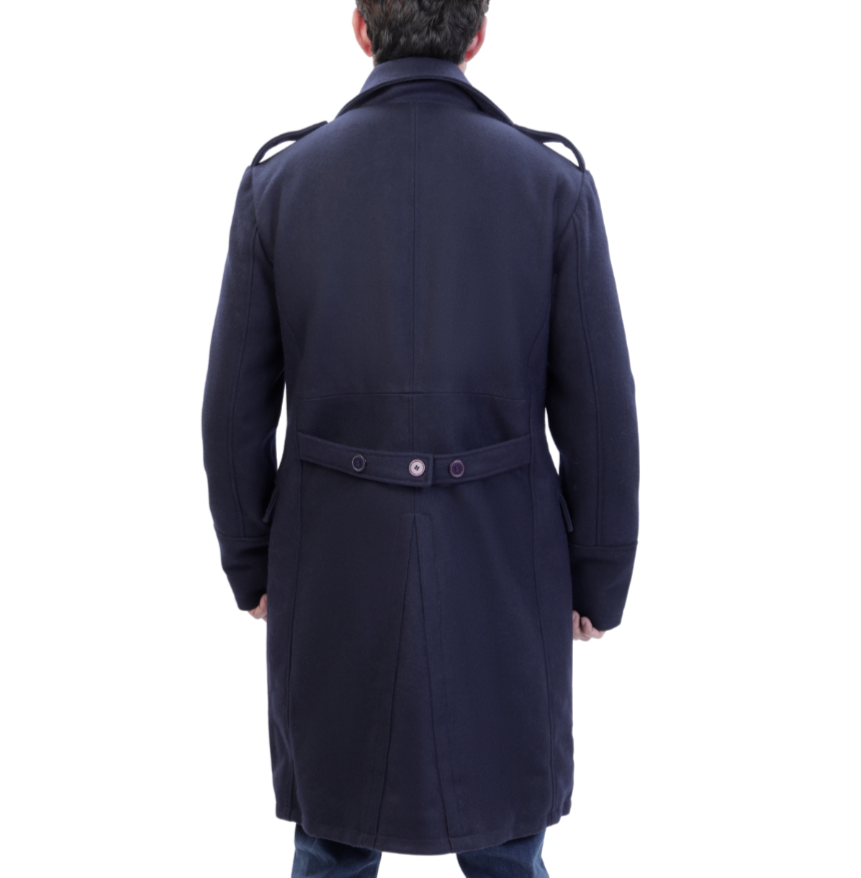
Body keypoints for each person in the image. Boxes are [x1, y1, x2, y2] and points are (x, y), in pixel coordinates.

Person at [201, 1, 639, 875]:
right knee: (508, 845)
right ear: (478, 35)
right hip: (504, 574)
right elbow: (600, 408)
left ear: (361, 28)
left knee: (330, 839)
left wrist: (250, 562)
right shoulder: (550, 186)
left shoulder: (281, 186)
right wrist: (600, 578)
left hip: (332, 573)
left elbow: (232, 408)